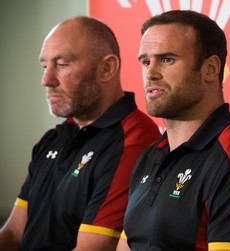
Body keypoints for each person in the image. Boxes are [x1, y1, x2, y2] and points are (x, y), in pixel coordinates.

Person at [116, 10, 230, 251]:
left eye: (166, 60)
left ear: (211, 69)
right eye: (145, 61)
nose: (150, 73)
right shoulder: (150, 155)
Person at [0, 16, 161, 250]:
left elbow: (95, 248)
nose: (46, 80)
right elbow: (14, 232)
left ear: (107, 68)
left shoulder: (134, 139)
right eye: (45, 66)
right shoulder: (52, 139)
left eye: (62, 64)